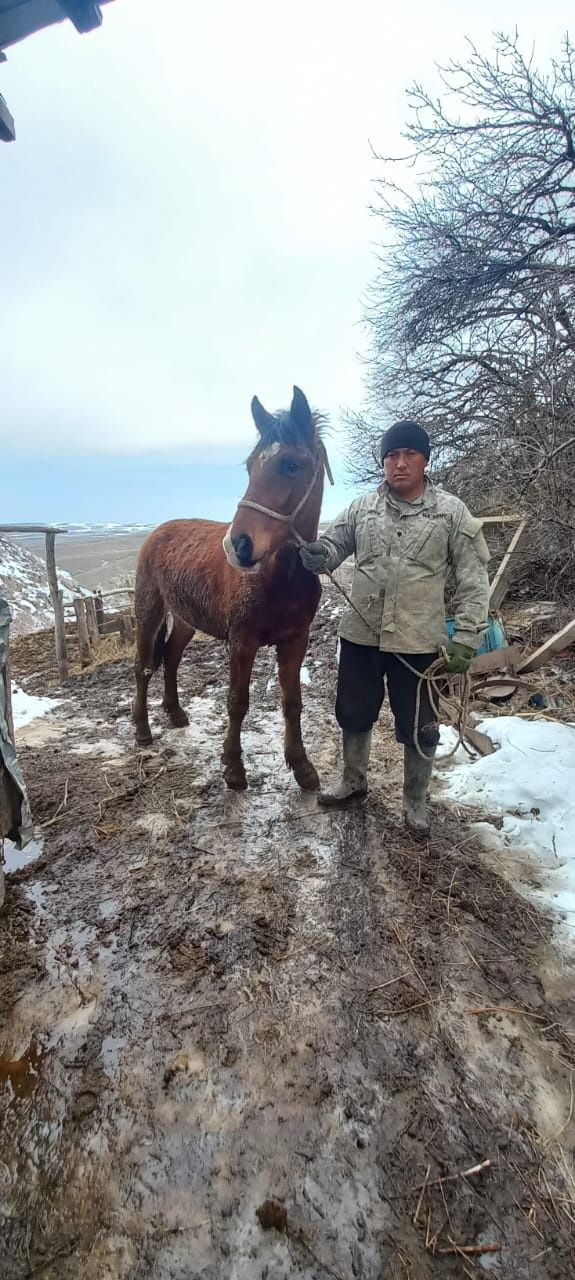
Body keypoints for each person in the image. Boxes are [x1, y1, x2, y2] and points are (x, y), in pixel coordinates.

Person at [299, 420, 490, 836]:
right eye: (391, 456)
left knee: (420, 725)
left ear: (425, 460)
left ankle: (415, 803)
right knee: (353, 713)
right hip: (361, 636)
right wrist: (321, 554)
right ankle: (353, 783)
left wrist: (467, 638)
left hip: (419, 643)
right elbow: (335, 546)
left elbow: (475, 579)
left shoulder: (451, 512)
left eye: (409, 455)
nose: (399, 463)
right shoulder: (361, 508)